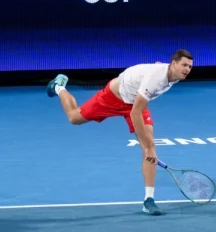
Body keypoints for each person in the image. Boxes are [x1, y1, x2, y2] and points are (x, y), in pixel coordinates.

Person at [46, 50, 194, 216]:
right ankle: (59, 87)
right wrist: (148, 147)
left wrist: (149, 147)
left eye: (189, 66)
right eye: (184, 65)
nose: (187, 69)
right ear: (173, 64)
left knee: (149, 147)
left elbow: (142, 99)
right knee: (74, 118)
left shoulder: (172, 74)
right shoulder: (156, 79)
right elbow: (135, 113)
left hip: (136, 102)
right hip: (113, 97)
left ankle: (149, 200)